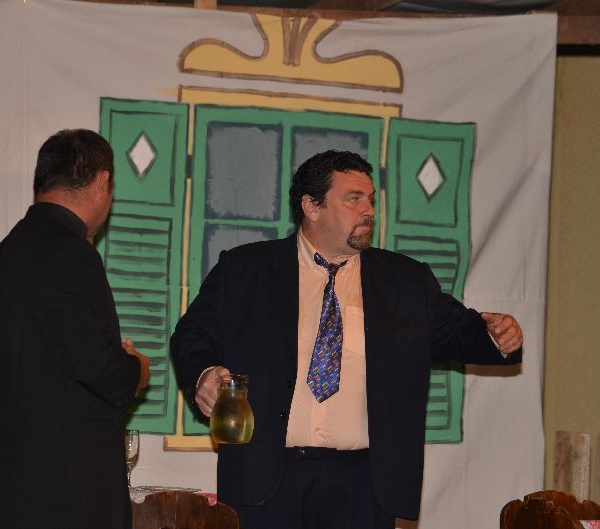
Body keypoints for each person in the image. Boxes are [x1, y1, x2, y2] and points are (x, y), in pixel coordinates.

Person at [170, 150, 523, 529]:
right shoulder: (245, 269)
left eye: (370, 199)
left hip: (364, 484)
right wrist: (204, 374)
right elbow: (192, 334)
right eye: (353, 199)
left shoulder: (405, 281)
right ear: (312, 206)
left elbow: (460, 331)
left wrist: (498, 336)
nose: (368, 210)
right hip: (265, 477)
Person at [0, 129, 150, 529]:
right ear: (102, 182)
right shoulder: (72, 253)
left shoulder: (4, 254)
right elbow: (99, 367)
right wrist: (136, 368)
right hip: (68, 490)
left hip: (8, 482)